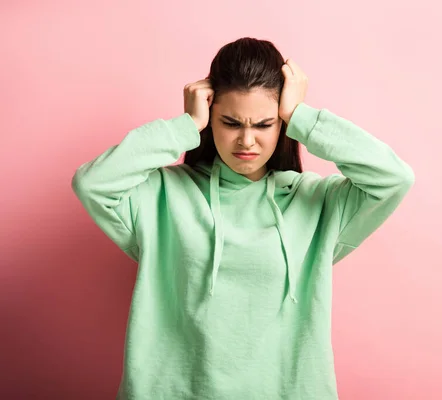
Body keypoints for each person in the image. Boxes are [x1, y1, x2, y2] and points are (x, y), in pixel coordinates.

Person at [71, 37, 415, 400]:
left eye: (264, 124)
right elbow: (92, 183)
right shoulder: (162, 195)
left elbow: (393, 178)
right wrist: (184, 126)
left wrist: (302, 116)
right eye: (231, 123)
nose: (246, 141)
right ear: (210, 119)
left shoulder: (317, 203)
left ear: (281, 125)